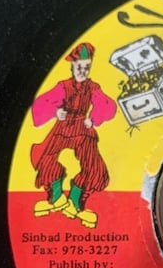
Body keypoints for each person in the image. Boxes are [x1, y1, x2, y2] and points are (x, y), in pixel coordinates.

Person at [31, 42, 116, 228]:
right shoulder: (63, 86)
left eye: (86, 68)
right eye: (79, 67)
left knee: (94, 166)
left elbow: (108, 105)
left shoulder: (93, 87)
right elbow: (42, 102)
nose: (82, 72)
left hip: (82, 129)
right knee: (46, 156)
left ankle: (75, 203)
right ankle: (56, 198)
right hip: (63, 128)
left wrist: (93, 119)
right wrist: (56, 112)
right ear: (72, 66)